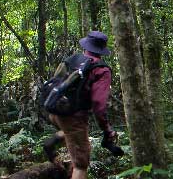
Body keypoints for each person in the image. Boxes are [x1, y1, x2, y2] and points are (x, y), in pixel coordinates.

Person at [42, 31, 123, 179]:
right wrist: (107, 130)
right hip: (73, 117)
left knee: (72, 133)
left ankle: (52, 142)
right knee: (81, 165)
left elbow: (56, 82)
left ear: (86, 45)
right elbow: (99, 106)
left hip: (54, 110)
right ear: (102, 50)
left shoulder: (72, 59)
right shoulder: (101, 70)